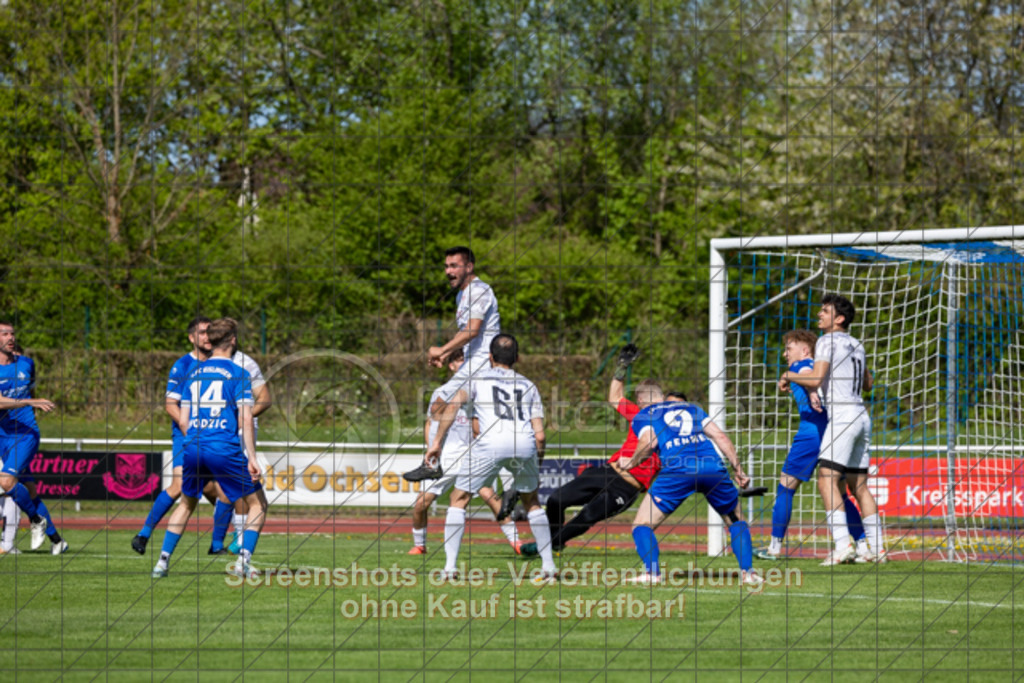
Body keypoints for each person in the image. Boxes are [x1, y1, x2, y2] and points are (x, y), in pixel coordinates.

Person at [133, 317, 271, 556]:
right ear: (191, 337)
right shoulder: (184, 365)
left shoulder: (235, 364)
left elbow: (264, 399)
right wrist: (196, 433)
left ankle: (216, 545)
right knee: (181, 489)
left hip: (213, 437)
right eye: (201, 333)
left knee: (223, 493)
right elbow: (170, 405)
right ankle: (144, 534)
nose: (206, 337)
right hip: (190, 436)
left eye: (209, 332)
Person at [425, 334, 557, 583]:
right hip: (524, 443)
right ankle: (548, 567)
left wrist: (435, 444)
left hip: (491, 442)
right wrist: (535, 464)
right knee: (532, 502)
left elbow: (452, 408)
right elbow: (540, 435)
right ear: (517, 358)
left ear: (489, 357)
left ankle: (450, 568)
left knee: (459, 499)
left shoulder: (477, 380)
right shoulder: (529, 385)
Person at [519, 345, 665, 556]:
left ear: (641, 399)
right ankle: (555, 543)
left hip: (627, 487)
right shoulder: (640, 414)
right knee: (555, 500)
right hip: (607, 472)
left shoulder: (671, 424)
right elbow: (615, 398)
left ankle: (545, 547)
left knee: (587, 515)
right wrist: (621, 368)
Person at [780, 294, 885, 565]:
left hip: (843, 416)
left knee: (826, 480)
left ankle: (842, 546)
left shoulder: (826, 341)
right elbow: (868, 384)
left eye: (825, 311)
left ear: (838, 318)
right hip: (862, 415)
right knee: (859, 486)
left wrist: (788, 375)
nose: (819, 315)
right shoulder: (856, 343)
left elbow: (815, 377)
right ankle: (878, 549)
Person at [622, 387, 760, 586]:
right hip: (712, 467)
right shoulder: (692, 409)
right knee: (736, 520)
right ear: (660, 397)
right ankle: (748, 573)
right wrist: (739, 469)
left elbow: (649, 442)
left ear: (641, 401)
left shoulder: (644, 414)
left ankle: (652, 573)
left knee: (642, 524)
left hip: (678, 469)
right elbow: (720, 437)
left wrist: (631, 462)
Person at [757, 330, 870, 562]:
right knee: (840, 492)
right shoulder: (825, 366)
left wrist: (806, 388)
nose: (785, 353)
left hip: (811, 432)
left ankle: (774, 548)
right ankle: (862, 546)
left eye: (789, 348)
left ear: (805, 350)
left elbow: (808, 376)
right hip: (834, 431)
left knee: (786, 487)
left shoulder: (802, 366)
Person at [406, 348, 524, 555]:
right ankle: (419, 544)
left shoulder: (480, 391)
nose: (463, 364)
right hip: (447, 455)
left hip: (471, 453)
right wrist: (432, 450)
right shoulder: (442, 393)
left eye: (466, 360)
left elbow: (480, 425)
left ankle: (517, 543)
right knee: (421, 503)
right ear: (451, 366)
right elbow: (430, 422)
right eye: (459, 360)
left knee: (489, 495)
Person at [0, 322, 66, 555]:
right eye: (4, 334)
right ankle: (58, 540)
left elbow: (32, 391)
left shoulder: (27, 364)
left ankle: (35, 521)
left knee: (6, 482)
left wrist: (32, 405)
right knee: (29, 490)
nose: (10, 337)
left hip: (26, 434)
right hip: (3, 437)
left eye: (12, 333)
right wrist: (29, 401)